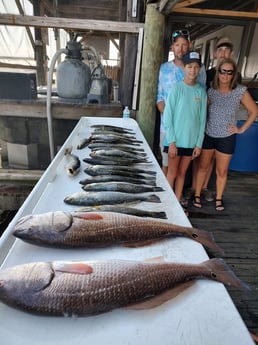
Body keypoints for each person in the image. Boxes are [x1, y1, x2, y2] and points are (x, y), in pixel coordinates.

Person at [193, 57, 258, 211]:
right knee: (203, 166)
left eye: (230, 72)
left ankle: (219, 198)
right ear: (218, 73)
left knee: (221, 171)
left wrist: (241, 129)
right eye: (223, 71)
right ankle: (197, 194)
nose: (226, 75)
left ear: (233, 74)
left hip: (226, 138)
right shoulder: (211, 91)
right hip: (209, 134)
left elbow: (254, 111)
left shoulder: (240, 91)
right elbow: (201, 108)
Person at [185, 36, 242, 202]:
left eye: (227, 50)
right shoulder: (207, 73)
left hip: (222, 128)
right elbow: (200, 94)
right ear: (216, 53)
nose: (223, 53)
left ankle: (203, 189)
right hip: (203, 122)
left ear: (231, 53)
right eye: (220, 50)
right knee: (199, 159)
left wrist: (238, 126)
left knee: (210, 161)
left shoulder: (235, 76)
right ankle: (194, 187)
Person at [156, 29, 206, 176]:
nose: (181, 48)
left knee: (182, 169)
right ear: (172, 47)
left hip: (188, 130)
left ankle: (178, 194)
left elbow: (202, 96)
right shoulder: (164, 68)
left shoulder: (199, 70)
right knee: (166, 163)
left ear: (189, 46)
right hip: (167, 127)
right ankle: (166, 194)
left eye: (184, 45)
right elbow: (159, 98)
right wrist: (171, 117)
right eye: (177, 45)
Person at [163, 51, 207, 212]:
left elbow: (202, 120)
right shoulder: (176, 89)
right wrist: (172, 141)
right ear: (184, 68)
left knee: (182, 174)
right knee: (172, 173)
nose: (193, 70)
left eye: (196, 67)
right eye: (189, 66)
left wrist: (199, 144)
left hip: (191, 143)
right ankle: (168, 204)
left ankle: (176, 203)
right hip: (175, 142)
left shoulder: (201, 91)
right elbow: (168, 117)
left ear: (200, 69)